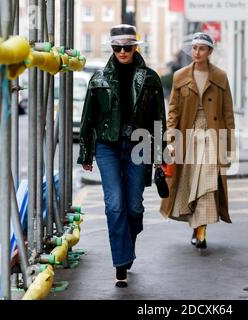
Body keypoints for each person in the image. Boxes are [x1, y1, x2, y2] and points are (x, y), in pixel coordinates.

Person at [77, 24, 166, 288]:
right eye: (118, 47)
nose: (123, 51)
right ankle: (121, 264)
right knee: (114, 204)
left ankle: (125, 244)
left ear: (136, 46)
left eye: (128, 46)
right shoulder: (98, 79)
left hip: (139, 143)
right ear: (112, 47)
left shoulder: (151, 78)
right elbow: (88, 119)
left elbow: (158, 119)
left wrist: (159, 154)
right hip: (107, 146)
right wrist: (86, 153)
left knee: (134, 206)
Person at [160, 32, 236, 249]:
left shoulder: (220, 76)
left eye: (202, 48)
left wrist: (228, 147)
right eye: (194, 48)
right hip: (188, 135)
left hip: (213, 135)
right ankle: (196, 226)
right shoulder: (180, 76)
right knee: (190, 182)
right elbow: (173, 110)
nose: (197, 52)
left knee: (208, 183)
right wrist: (171, 140)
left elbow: (228, 113)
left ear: (210, 52)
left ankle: (200, 230)